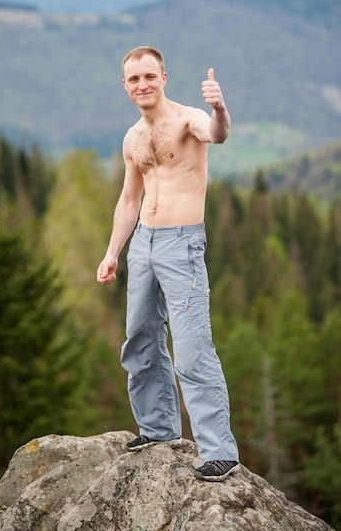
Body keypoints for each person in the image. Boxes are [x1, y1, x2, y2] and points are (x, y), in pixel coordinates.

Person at [97, 46, 239, 481]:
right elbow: (128, 199)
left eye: (149, 76)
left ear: (163, 77)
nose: (142, 84)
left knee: (192, 347)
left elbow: (217, 133)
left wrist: (220, 107)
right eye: (133, 79)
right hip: (143, 243)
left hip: (182, 245)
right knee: (139, 339)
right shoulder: (132, 137)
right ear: (125, 85)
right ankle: (158, 428)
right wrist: (112, 252)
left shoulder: (188, 118)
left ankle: (220, 451)